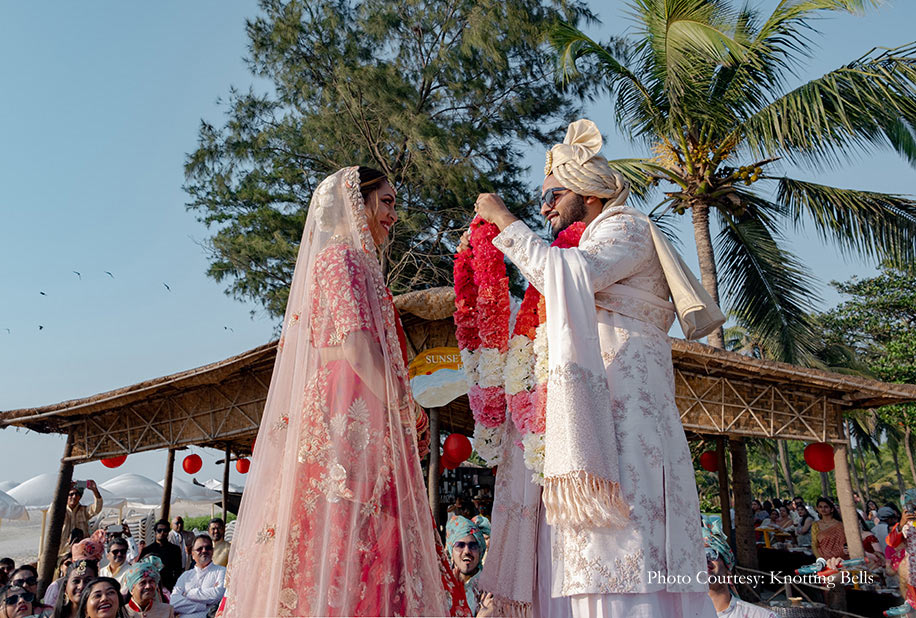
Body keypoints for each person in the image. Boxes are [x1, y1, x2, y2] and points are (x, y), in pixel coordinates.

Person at [473, 119, 722, 617]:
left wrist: (504, 220)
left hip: (626, 426)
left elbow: (567, 275)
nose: (544, 208)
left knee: (625, 554)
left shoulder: (626, 227)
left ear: (589, 193)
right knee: (585, 554)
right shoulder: (589, 239)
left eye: (553, 195)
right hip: (593, 423)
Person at [215, 166, 468, 617]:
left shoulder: (359, 264)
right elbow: (356, 347)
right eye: (386, 202)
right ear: (356, 202)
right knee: (352, 525)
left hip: (358, 399)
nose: (394, 214)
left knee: (368, 530)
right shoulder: (341, 259)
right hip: (348, 407)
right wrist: (405, 407)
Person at [703, 519, 777, 618]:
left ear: (728, 568)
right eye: (697, 556)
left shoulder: (761, 616)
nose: (704, 559)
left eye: (711, 553)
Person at [169, 536, 224, 618]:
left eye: (208, 548)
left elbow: (219, 595)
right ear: (193, 554)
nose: (204, 551)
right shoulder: (185, 576)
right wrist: (204, 605)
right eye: (199, 549)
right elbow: (174, 603)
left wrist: (189, 594)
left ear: (212, 551)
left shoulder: (222, 571)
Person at [447, 517, 488, 616]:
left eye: (473, 546)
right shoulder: (442, 588)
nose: (467, 551)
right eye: (460, 545)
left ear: (480, 551)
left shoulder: (491, 590)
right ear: (451, 552)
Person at [61, 484, 103, 557]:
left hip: (82, 551)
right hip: (63, 551)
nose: (74, 497)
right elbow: (52, 511)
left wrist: (95, 491)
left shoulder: (84, 510)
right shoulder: (60, 510)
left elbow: (96, 508)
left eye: (77, 494)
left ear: (80, 497)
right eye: (71, 494)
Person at [138, 522, 180, 592]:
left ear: (168, 532)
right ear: (155, 531)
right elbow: (140, 568)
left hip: (169, 586)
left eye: (165, 530)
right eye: (159, 530)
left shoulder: (175, 550)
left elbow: (178, 571)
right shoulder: (147, 550)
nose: (162, 533)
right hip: (150, 585)